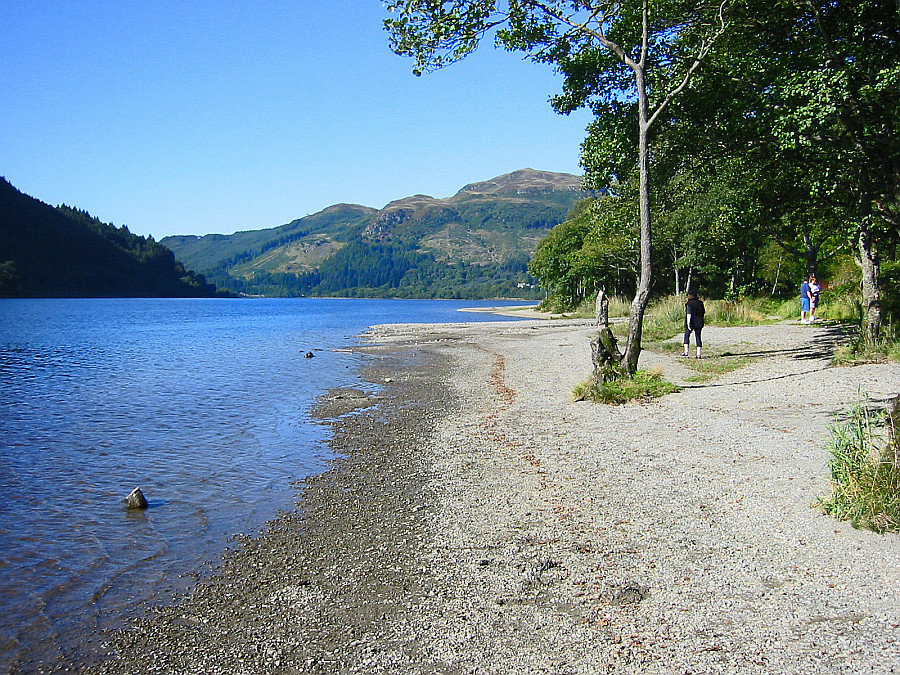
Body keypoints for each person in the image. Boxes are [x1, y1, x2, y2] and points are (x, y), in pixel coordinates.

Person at [682, 291, 705, 358]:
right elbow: (703, 312)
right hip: (699, 322)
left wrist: (688, 323)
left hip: (691, 322)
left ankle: (686, 352)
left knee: (687, 335)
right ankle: (698, 354)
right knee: (698, 337)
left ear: (690, 296)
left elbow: (689, 314)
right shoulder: (700, 303)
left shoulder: (689, 304)